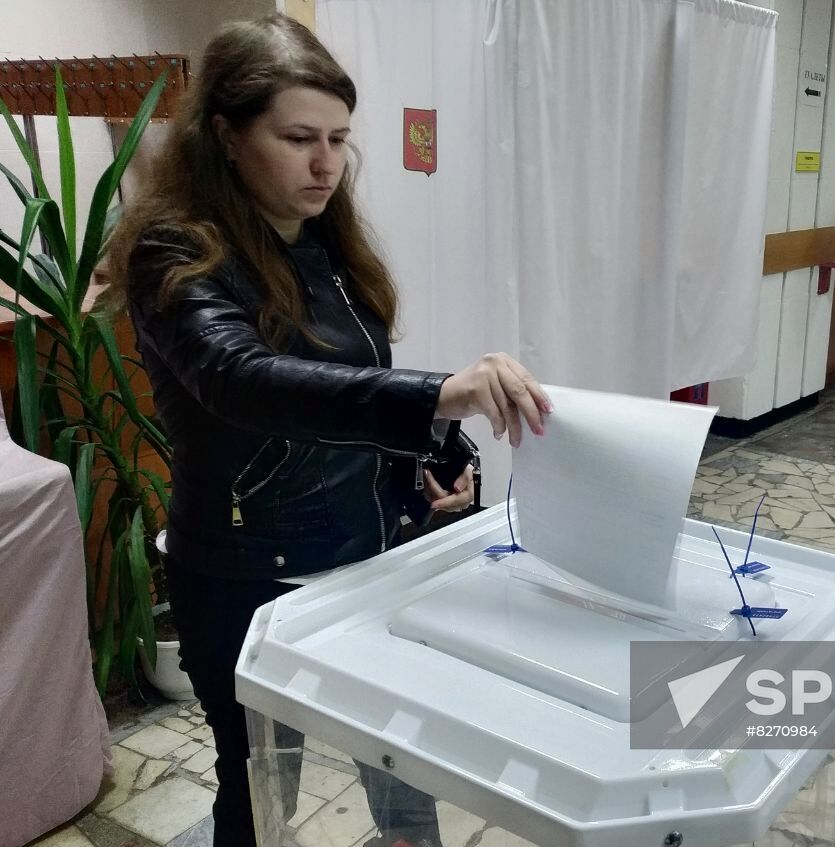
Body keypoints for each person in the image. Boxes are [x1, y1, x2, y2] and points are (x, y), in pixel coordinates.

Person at [104, 15, 550, 847]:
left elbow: (352, 383)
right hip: (246, 576)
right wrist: (438, 395)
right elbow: (243, 381)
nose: (326, 164)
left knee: (403, 773)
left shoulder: (327, 243)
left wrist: (435, 453)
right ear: (227, 137)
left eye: (340, 139)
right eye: (299, 137)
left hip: (370, 559)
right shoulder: (173, 252)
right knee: (258, 790)